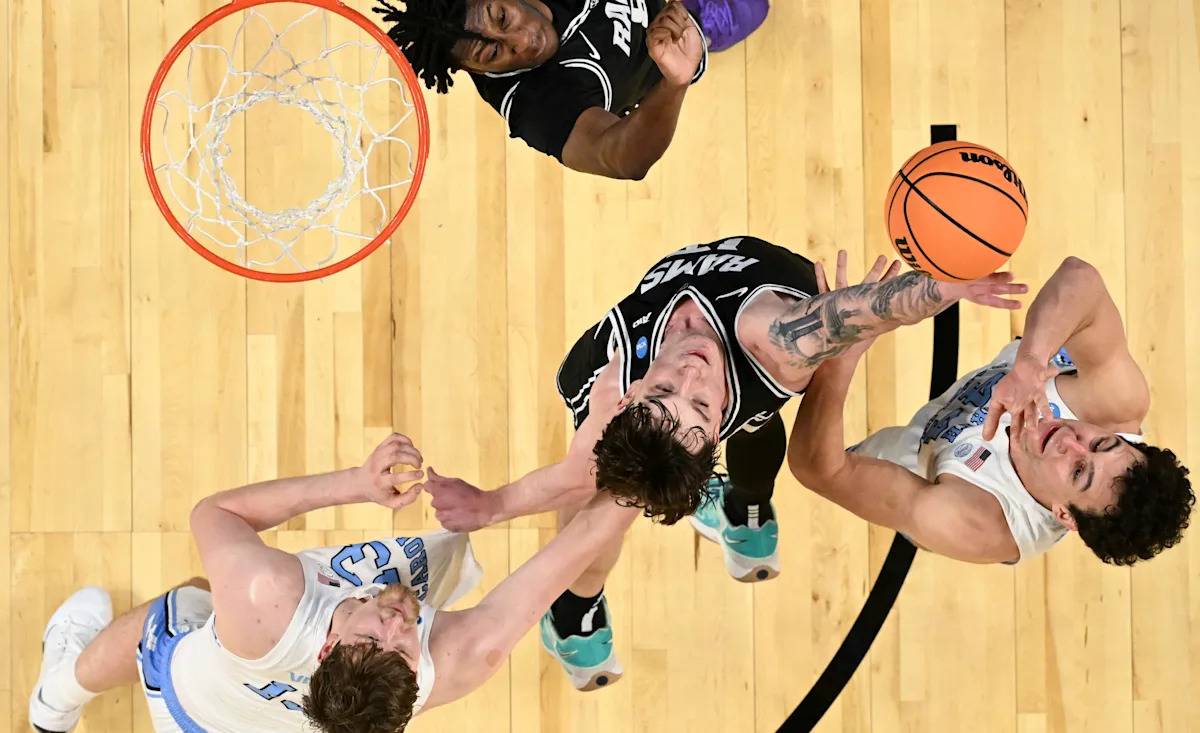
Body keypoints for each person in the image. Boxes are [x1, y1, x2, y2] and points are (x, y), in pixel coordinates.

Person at [423, 237, 1025, 690]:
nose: (691, 374)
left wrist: (488, 505)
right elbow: (859, 312)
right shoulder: (760, 351)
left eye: (667, 393)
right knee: (601, 505)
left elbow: (855, 314)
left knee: (727, 443)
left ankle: (741, 501)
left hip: (722, 346)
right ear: (714, 429)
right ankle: (573, 613)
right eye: (697, 404)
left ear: (634, 396)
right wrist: (945, 286)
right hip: (744, 359)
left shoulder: (648, 381)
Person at [27, 433, 638, 733]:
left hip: (191, 718)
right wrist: (656, 461)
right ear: (418, 676)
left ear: (325, 649)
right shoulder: (463, 656)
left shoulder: (264, 596)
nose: (397, 622)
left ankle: (55, 698)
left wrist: (356, 483)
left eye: (373, 637)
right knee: (205, 600)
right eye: (400, 646)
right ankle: (55, 699)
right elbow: (581, 542)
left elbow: (215, 514)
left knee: (188, 599)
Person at [788, 256, 1195, 566]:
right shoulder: (1115, 403)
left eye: (1077, 471)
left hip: (917, 463)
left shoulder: (977, 522)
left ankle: (753, 505)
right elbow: (1081, 277)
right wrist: (1032, 362)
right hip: (1015, 386)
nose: (1072, 441)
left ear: (1064, 515)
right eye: (1102, 443)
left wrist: (840, 357)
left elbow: (820, 470)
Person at [373, 0, 717, 179]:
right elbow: (621, 159)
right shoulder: (534, 103)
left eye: (502, 18)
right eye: (491, 53)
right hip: (688, 29)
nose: (524, 41)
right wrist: (674, 84)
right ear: (470, 70)